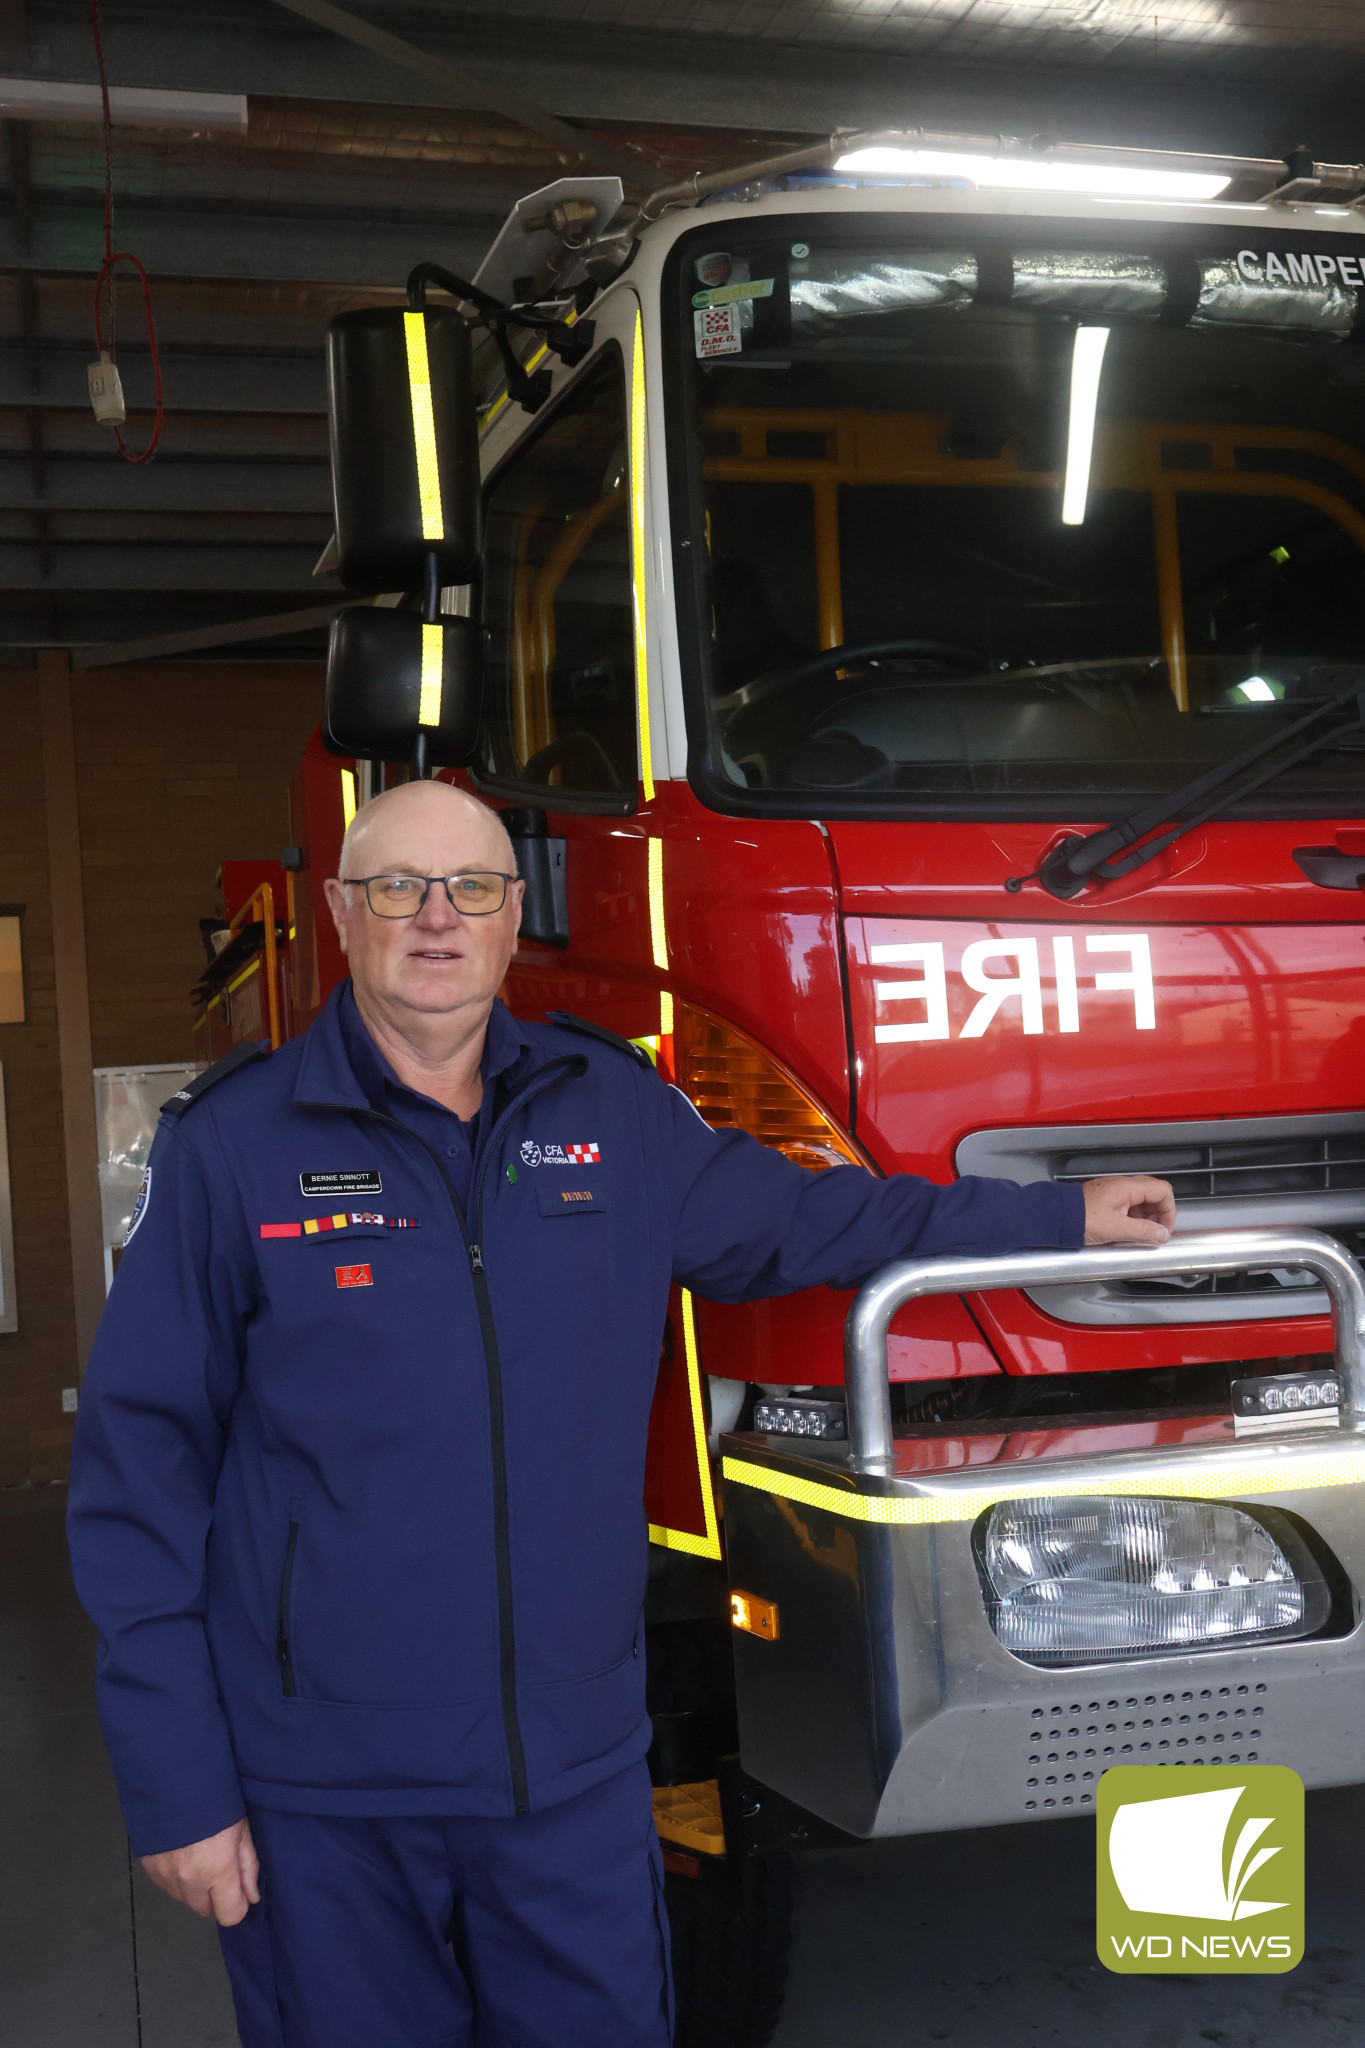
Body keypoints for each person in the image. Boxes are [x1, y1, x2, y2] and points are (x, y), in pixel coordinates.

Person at [66, 780, 1175, 2048]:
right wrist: (177, 1787)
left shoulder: (610, 1113)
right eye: (397, 888)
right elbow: (139, 1474)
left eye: (471, 887)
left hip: (573, 1779)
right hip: (329, 1791)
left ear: (511, 913)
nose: (437, 918)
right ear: (340, 911)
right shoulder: (235, 1146)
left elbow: (817, 1217)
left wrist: (1055, 1218)